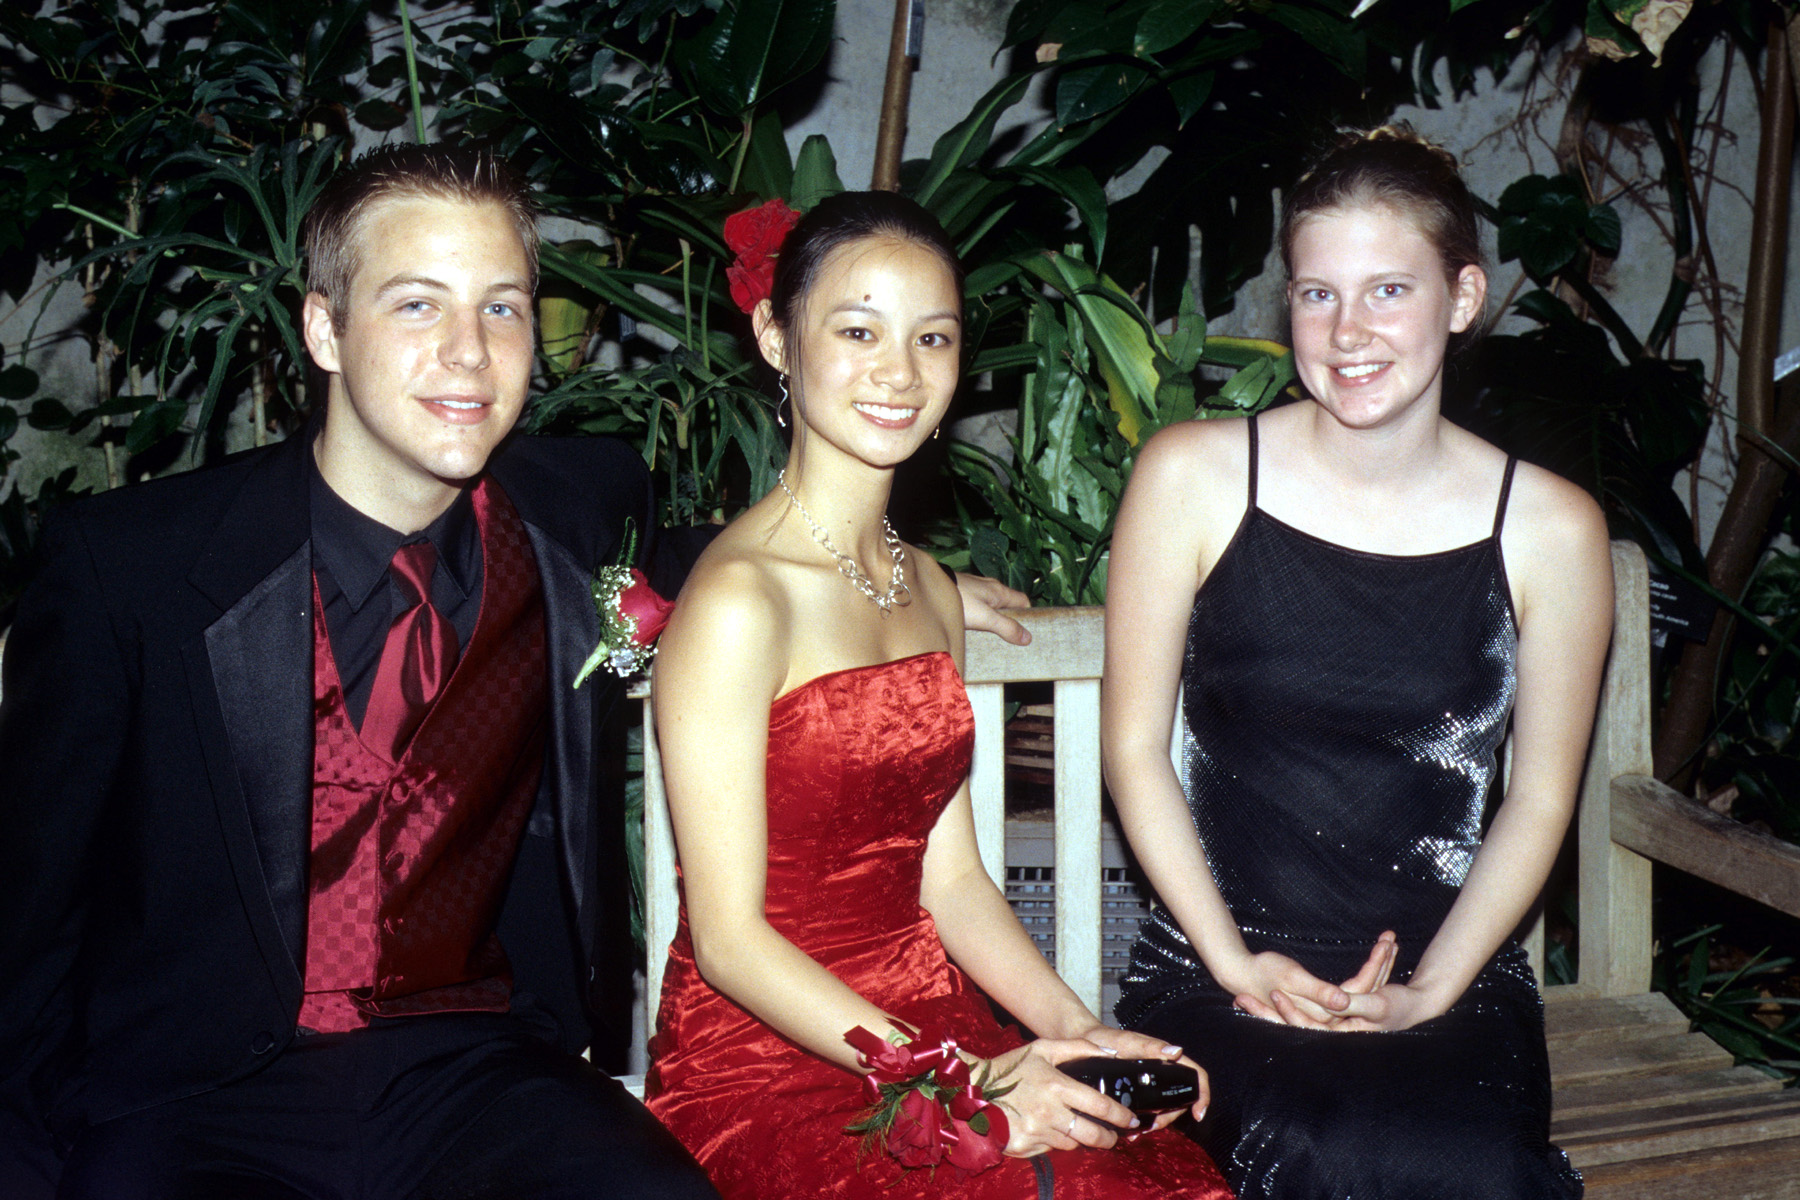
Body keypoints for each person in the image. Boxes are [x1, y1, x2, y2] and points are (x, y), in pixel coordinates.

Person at [0, 145, 1025, 1200]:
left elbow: (700, 558)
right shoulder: (132, 569)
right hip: (199, 1098)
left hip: (472, 1071)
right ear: (323, 330)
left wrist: (901, 579)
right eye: (417, 305)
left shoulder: (575, 512)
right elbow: (27, 919)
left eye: (502, 309)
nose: (468, 352)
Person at [643, 190, 1232, 1199]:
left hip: (931, 1019)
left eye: (933, 338)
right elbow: (731, 943)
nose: (900, 373)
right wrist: (966, 1085)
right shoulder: (738, 605)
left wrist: (1074, 1029)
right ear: (776, 338)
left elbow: (950, 879)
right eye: (857, 331)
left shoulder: (924, 586)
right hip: (768, 1060)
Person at [1102, 126, 1612, 1200]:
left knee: (1473, 1167)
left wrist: (1429, 991)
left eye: (1388, 290)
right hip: (1217, 967)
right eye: (1316, 294)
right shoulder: (1193, 477)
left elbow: (1539, 799)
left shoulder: (1551, 529)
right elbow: (1136, 752)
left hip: (1452, 976)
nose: (1347, 333)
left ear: (1462, 298)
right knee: (1322, 1148)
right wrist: (1235, 965)